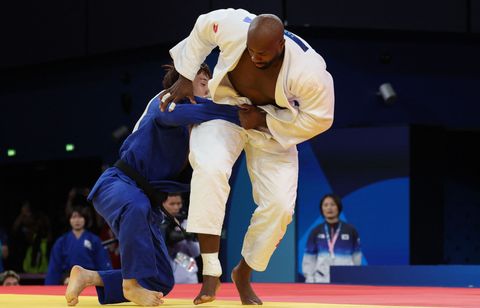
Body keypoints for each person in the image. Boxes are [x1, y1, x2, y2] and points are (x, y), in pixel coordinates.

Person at [159, 8, 334, 304]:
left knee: (280, 206)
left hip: (272, 122)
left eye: (262, 54)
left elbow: (321, 118)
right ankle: (211, 272)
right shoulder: (233, 26)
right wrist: (187, 75)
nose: (255, 57)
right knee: (210, 167)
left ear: (281, 46)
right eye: (251, 51)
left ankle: (244, 271)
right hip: (226, 108)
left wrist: (264, 122)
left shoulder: (309, 71)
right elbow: (203, 27)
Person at [64, 63, 241, 307]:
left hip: (146, 201)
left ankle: (88, 276)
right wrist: (240, 112)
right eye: (202, 82)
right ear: (183, 82)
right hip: (119, 184)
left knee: (159, 280)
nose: (209, 88)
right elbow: (185, 113)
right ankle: (130, 284)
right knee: (136, 206)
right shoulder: (166, 99)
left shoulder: (194, 125)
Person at [302, 194, 362, 283]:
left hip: (346, 279)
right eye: (325, 205)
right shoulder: (316, 231)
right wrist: (310, 279)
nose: (329, 208)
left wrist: (354, 276)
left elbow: (357, 258)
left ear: (338, 207)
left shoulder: (350, 230)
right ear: (321, 209)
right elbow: (309, 258)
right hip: (321, 279)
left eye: (332, 204)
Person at [45, 205, 112, 285]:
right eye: (73, 217)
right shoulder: (62, 241)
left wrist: (108, 283)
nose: (77, 220)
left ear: (85, 219)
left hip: (90, 279)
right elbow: (54, 267)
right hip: (68, 280)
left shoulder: (94, 240)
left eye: (80, 217)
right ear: (69, 220)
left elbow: (103, 263)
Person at [160, 193, 200, 284]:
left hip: (187, 274)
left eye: (179, 203)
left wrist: (187, 236)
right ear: (162, 204)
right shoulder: (157, 220)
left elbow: (196, 252)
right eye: (172, 204)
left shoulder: (187, 222)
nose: (176, 207)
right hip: (164, 273)